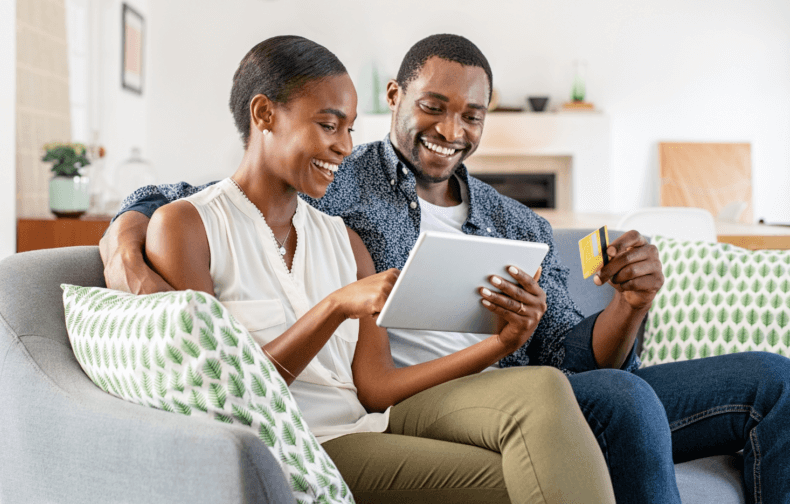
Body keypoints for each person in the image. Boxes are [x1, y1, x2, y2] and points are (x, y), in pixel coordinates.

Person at [104, 34, 790, 504]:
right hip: (420, 405)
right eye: (434, 106)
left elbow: (570, 356)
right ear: (396, 96)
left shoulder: (518, 223)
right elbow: (214, 190)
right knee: (619, 397)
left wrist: (630, 304)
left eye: (472, 114)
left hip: (528, 386)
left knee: (772, 379)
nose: (452, 129)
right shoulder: (347, 181)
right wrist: (129, 228)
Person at [143, 35, 614, 503]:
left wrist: (502, 343)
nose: (345, 147)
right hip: (296, 449)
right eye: (329, 125)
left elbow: (376, 389)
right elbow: (220, 400)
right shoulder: (187, 227)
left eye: (349, 129)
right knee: (525, 480)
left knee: (543, 408)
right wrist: (332, 308)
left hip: (368, 426)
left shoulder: (344, 242)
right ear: (265, 114)